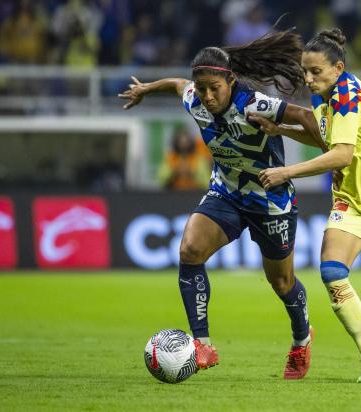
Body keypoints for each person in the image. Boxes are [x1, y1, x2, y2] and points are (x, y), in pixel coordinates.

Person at [119, 29, 325, 379]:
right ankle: (202, 344)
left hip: (270, 199)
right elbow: (175, 83)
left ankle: (302, 340)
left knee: (282, 282)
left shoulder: (254, 103)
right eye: (202, 89)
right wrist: (145, 90)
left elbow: (306, 117)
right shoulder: (194, 98)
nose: (208, 96)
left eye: (215, 88)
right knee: (189, 250)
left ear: (230, 82)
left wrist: (322, 150)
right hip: (226, 192)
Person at [251, 28, 361, 383]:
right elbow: (323, 137)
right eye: (305, 72)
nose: (309, 79)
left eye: (316, 72)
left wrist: (286, 171)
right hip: (351, 201)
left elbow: (342, 154)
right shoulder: (324, 96)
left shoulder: (347, 95)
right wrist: (278, 129)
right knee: (331, 271)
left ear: (338, 67)